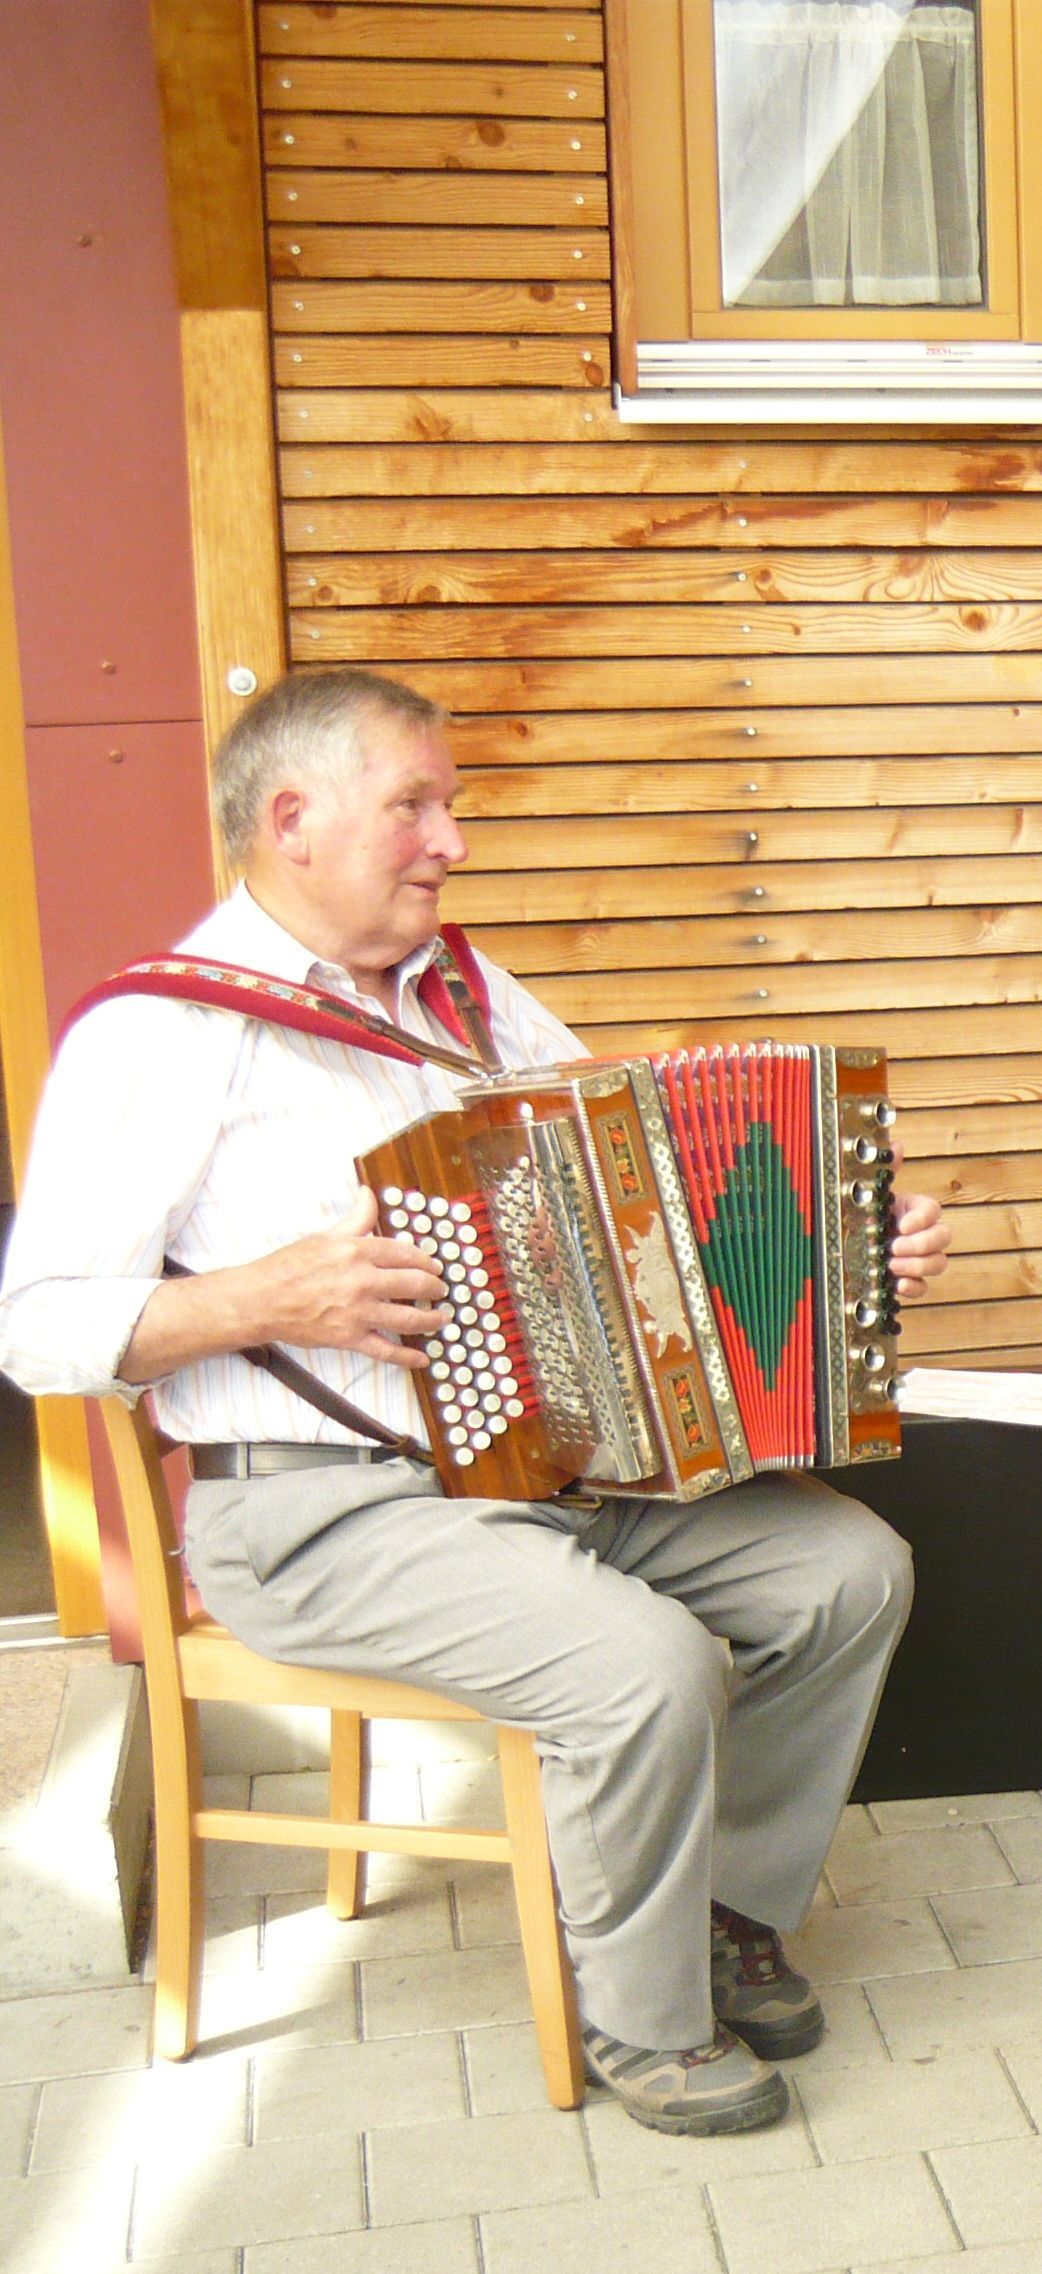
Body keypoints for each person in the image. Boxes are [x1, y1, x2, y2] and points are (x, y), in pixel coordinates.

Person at [0, 669, 953, 2137]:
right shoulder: (159, 1038)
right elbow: (37, 1328)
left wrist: (844, 1240)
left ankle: (715, 1908)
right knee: (641, 1669)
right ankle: (642, 2024)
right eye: (417, 806)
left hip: (544, 1472)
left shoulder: (467, 994)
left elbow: (634, 1182)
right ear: (293, 819)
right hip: (314, 1509)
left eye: (448, 805)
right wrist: (262, 1299)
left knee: (846, 1573)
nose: (451, 838)